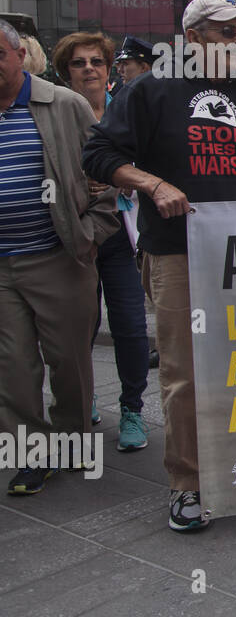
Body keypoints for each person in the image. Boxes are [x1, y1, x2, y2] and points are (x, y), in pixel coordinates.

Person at [83, 0, 236, 532]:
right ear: (193, 39)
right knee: (185, 376)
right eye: (229, 35)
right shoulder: (150, 90)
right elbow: (99, 155)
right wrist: (153, 185)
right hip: (177, 255)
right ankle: (188, 484)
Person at [0, 21, 118, 494]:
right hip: (2, 267)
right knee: (12, 366)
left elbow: (106, 176)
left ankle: (72, 441)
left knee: (68, 363)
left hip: (59, 257)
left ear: (16, 55)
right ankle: (30, 453)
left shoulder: (62, 104)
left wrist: (91, 235)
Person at [53, 32, 149, 452]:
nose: (89, 68)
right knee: (78, 327)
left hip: (120, 237)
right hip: (73, 237)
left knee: (130, 324)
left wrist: (121, 177)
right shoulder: (52, 113)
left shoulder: (127, 109)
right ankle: (85, 395)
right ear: (64, 72)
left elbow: (149, 162)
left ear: (109, 69)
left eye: (97, 61)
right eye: (79, 63)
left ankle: (132, 409)